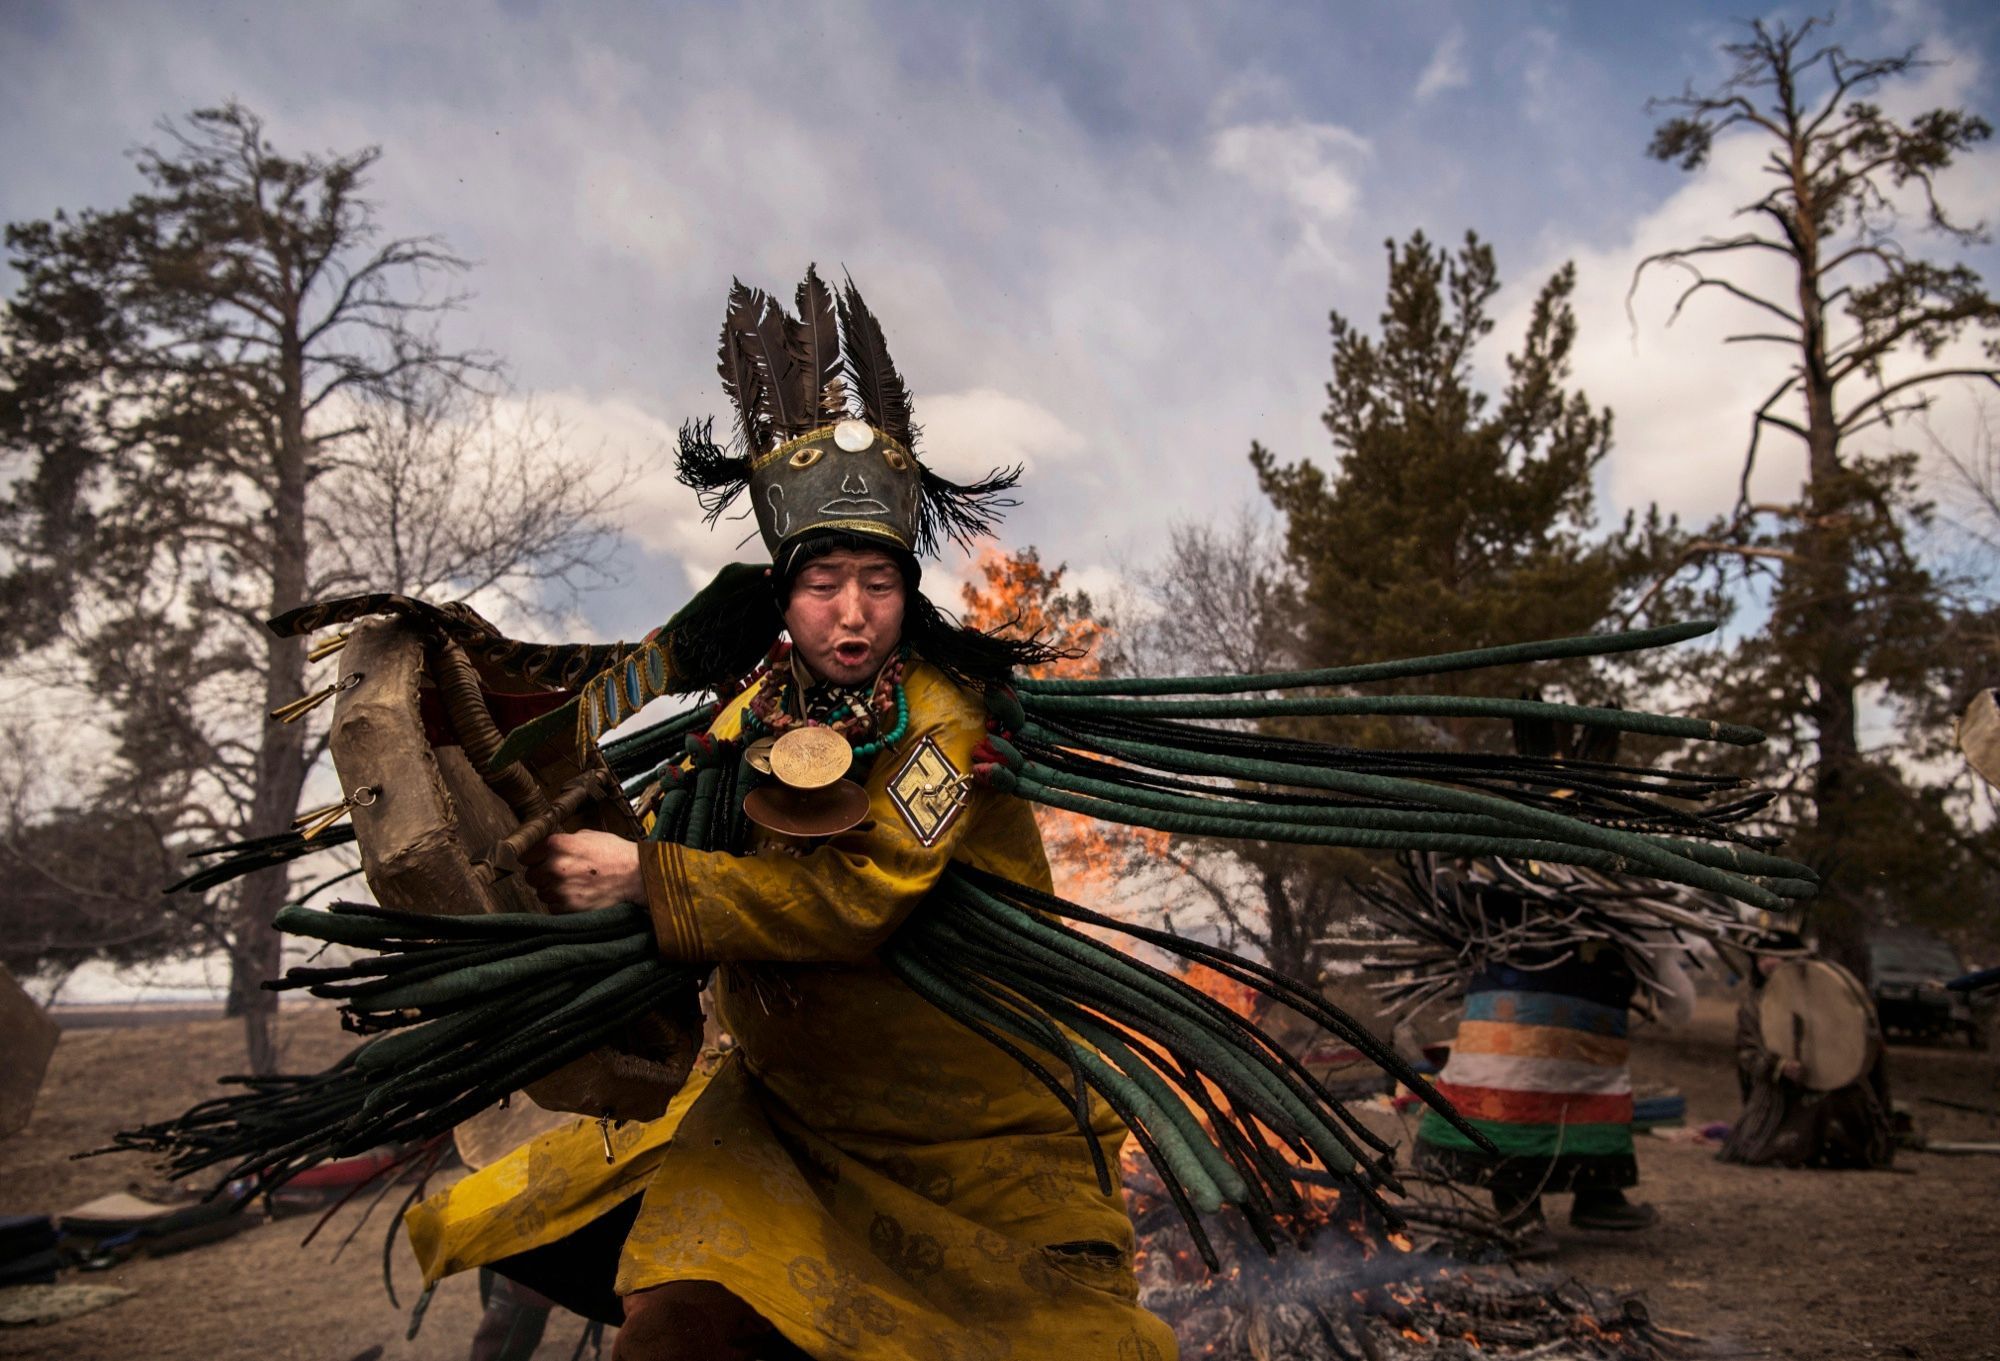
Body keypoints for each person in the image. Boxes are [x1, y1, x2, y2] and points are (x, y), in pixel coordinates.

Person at [401, 270, 1176, 1361]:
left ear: (905, 589)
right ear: (783, 592)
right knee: (672, 1327)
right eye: (823, 582)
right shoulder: (754, 709)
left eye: (876, 580)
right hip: (791, 1118)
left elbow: (860, 897)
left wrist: (643, 881)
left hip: (971, 1136)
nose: (851, 611)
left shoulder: (945, 720)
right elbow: (650, 788)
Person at [1412, 942, 1657, 1259]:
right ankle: (1520, 1212)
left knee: (1586, 1085)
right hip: (1520, 968)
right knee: (1514, 1084)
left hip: (1594, 978)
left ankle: (1598, 1193)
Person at [1717, 945, 1894, 1169]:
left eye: (1775, 954)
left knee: (1843, 1111)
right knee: (1762, 1149)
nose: (1768, 962)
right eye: (1761, 957)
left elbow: (1853, 1040)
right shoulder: (1752, 1006)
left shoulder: (1827, 992)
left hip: (1836, 1083)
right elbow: (1746, 1053)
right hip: (1780, 1090)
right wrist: (1779, 1067)